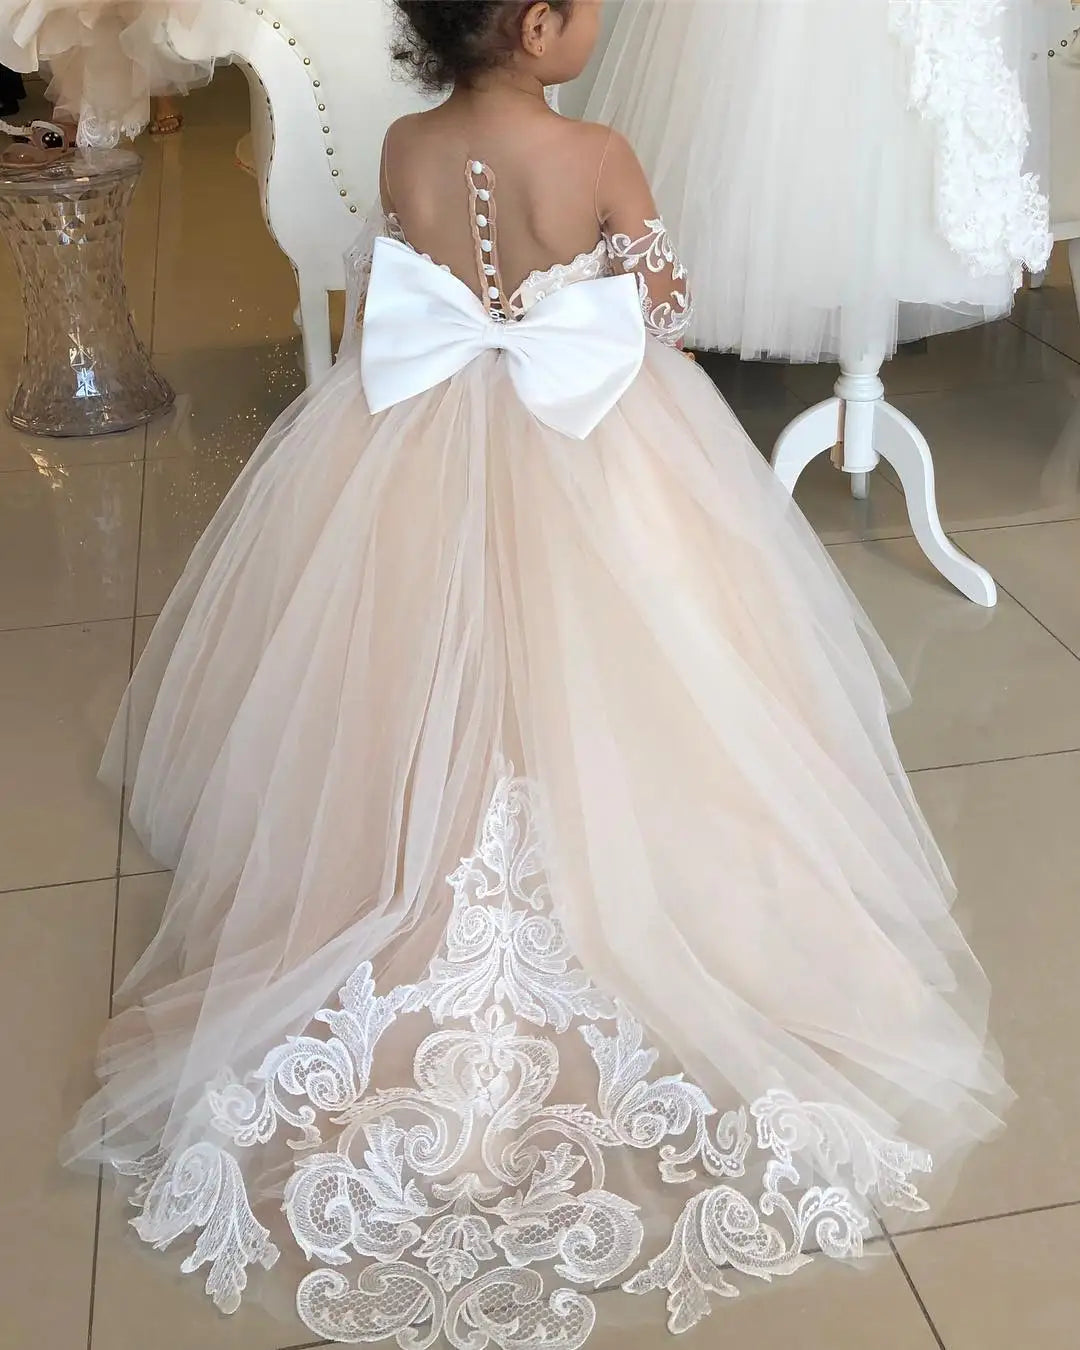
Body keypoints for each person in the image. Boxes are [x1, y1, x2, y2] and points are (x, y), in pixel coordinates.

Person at [65, 3, 1008, 1345]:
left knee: (407, 650)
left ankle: (412, 842)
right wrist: (596, 304)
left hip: (417, 443)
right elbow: (664, 310)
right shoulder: (600, 152)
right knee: (661, 652)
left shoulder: (404, 147)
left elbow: (396, 287)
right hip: (592, 437)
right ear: (538, 22)